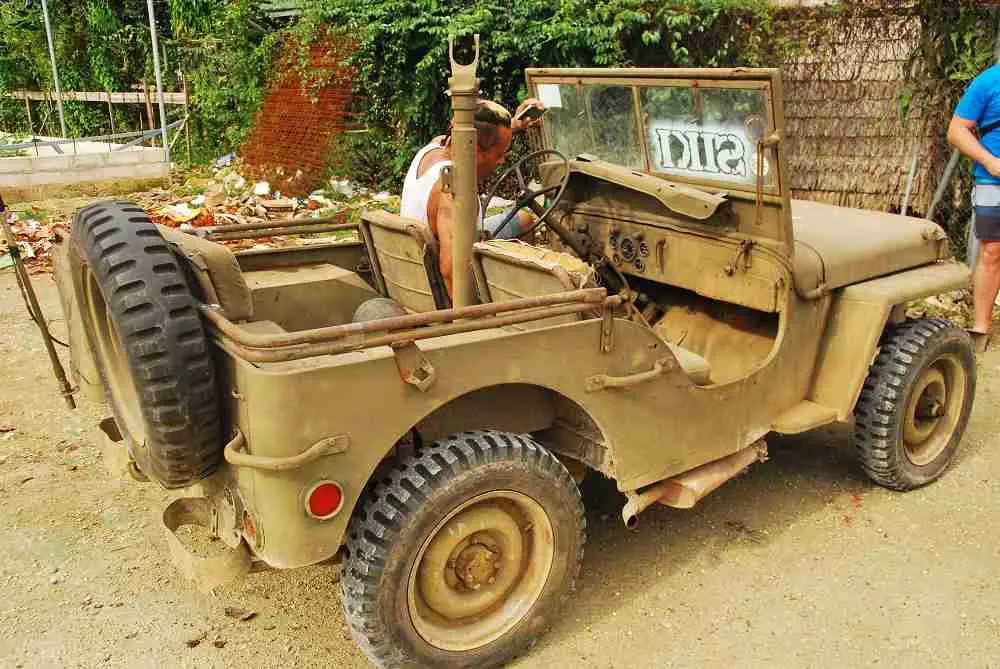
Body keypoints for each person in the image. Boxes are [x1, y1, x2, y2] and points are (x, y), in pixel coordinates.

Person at [400, 98, 544, 295]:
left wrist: (514, 125)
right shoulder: (455, 192)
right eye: (500, 153)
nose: (502, 160)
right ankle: (522, 297)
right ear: (474, 149)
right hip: (444, 282)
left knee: (524, 220)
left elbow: (470, 129)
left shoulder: (434, 148)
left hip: (428, 252)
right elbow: (453, 274)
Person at [948, 63, 1000, 351]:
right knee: (992, 251)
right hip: (994, 182)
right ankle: (981, 328)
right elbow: (956, 131)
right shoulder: (989, 82)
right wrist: (991, 162)